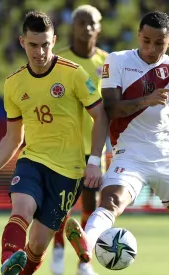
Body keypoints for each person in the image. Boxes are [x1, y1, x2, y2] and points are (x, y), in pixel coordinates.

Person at [65, 11, 169, 275]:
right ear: (138, 35)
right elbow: (111, 108)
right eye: (146, 40)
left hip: (167, 156)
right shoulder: (117, 61)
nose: (151, 48)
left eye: (158, 43)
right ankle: (86, 246)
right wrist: (146, 100)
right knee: (111, 201)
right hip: (130, 154)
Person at [0, 11, 108, 275]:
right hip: (33, 161)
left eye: (45, 45)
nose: (39, 52)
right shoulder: (14, 84)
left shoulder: (74, 74)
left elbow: (100, 116)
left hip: (69, 171)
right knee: (22, 208)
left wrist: (94, 161)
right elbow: (13, 138)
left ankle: (23, 261)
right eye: (33, 45)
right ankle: (8, 261)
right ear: (22, 42)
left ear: (54, 40)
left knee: (38, 246)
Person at [50, 5, 107, 275]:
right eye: (80, 23)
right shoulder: (58, 61)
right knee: (61, 205)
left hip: (94, 146)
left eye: (91, 23)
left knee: (91, 204)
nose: (86, 28)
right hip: (65, 146)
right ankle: (58, 247)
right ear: (72, 26)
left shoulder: (108, 63)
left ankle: (84, 261)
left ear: (100, 26)